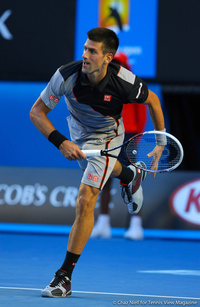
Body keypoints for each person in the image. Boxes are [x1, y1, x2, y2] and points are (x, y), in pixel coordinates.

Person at [30, 27, 165, 298]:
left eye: (92, 51)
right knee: (101, 172)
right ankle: (128, 176)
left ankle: (64, 277)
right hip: (77, 133)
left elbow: (153, 100)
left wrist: (161, 142)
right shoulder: (66, 75)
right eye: (85, 48)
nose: (85, 55)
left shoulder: (125, 81)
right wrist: (60, 141)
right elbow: (37, 112)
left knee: (85, 198)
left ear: (108, 58)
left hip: (107, 135)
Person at [91, 52, 147, 240]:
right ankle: (103, 224)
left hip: (129, 135)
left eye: (119, 63)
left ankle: (136, 226)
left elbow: (142, 113)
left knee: (131, 179)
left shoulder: (134, 85)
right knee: (105, 177)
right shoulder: (102, 84)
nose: (116, 67)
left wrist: (137, 137)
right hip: (109, 135)